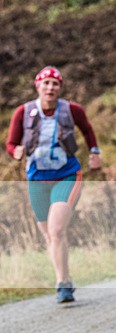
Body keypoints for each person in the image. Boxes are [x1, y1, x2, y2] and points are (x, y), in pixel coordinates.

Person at [5, 66, 102, 303]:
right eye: (46, 83)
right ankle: (65, 277)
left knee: (57, 229)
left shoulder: (71, 110)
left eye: (55, 84)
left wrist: (94, 152)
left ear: (60, 88)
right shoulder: (24, 112)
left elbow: (87, 130)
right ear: (37, 86)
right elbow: (11, 143)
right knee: (49, 235)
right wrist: (15, 151)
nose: (50, 88)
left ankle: (62, 284)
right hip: (37, 178)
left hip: (67, 175)